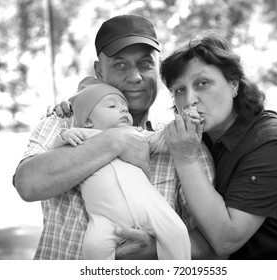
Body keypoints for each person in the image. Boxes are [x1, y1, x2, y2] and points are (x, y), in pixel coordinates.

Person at [13, 14, 216, 259]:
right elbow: (27, 184)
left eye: (145, 64)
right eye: (120, 65)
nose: (135, 77)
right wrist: (115, 140)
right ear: (99, 71)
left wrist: (154, 249)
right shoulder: (64, 121)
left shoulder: (180, 140)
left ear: (158, 69)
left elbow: (214, 244)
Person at [158, 31, 277, 259]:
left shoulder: (272, 144)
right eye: (179, 90)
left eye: (203, 83)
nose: (189, 99)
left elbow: (225, 239)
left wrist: (185, 158)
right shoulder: (200, 136)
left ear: (233, 85)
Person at [49, 76, 191, 260]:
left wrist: (185, 123)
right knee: (93, 248)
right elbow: (56, 153)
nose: (123, 108)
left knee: (177, 232)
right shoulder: (83, 137)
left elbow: (163, 140)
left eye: (124, 106)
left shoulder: (136, 134)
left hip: (148, 206)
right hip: (105, 217)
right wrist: (66, 135)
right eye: (112, 106)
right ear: (89, 121)